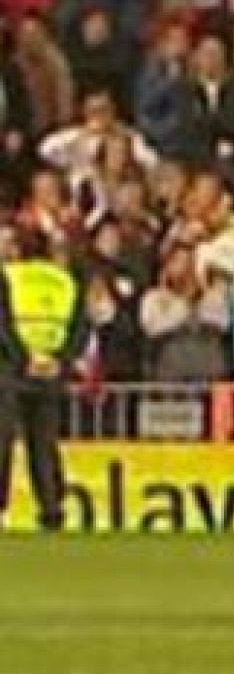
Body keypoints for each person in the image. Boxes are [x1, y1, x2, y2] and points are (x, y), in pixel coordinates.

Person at [0, 228, 88, 532]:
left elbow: (4, 324)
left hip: (10, 368)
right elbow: (79, 327)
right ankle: (51, 509)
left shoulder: (8, 277)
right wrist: (61, 360)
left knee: (3, 441)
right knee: (45, 443)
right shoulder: (65, 282)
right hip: (50, 369)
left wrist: (25, 359)